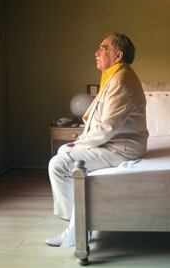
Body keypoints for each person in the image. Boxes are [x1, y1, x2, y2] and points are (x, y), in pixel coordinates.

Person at [45, 33, 148, 246]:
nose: (97, 51)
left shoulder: (122, 79)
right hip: (112, 143)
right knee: (64, 151)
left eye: (103, 47)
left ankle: (77, 229)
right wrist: (78, 143)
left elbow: (107, 128)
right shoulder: (114, 75)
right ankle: (78, 223)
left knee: (58, 163)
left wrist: (80, 144)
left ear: (118, 55)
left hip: (121, 148)